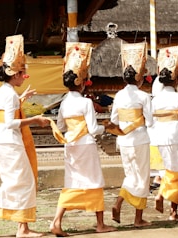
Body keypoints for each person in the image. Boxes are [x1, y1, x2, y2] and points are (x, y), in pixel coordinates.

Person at [0, 34, 49, 238]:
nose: (24, 76)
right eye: (22, 73)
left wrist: (21, 98)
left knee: (19, 181)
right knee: (21, 181)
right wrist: (36, 120)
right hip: (9, 140)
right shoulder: (8, 94)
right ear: (14, 74)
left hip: (5, 139)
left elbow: (9, 112)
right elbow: (10, 122)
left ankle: (19, 226)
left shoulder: (5, 91)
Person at [49, 42, 116, 236]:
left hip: (70, 144)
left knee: (73, 181)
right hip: (85, 145)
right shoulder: (86, 102)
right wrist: (107, 127)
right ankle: (100, 224)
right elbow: (94, 129)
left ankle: (57, 220)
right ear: (81, 81)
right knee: (94, 180)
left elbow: (61, 126)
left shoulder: (64, 102)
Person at [105, 63, 153, 227]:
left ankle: (118, 203)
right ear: (138, 79)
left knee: (131, 175)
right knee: (142, 177)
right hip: (139, 139)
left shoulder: (118, 95)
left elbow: (114, 120)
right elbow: (151, 120)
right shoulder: (144, 96)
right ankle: (138, 219)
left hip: (124, 140)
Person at [151, 67, 178, 220]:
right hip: (177, 136)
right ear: (175, 81)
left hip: (161, 137)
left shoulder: (155, 100)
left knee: (169, 170)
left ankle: (162, 194)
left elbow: (151, 122)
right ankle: (173, 211)